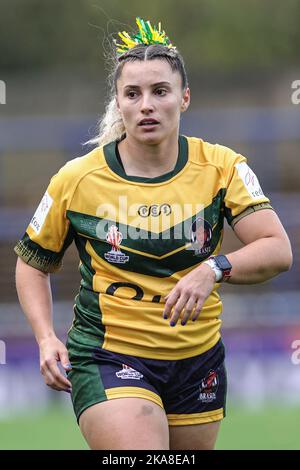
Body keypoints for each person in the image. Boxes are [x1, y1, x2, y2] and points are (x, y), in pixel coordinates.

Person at [14, 18, 292, 450]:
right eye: (133, 93)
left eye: (160, 91)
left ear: (184, 99)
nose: (146, 105)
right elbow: (32, 263)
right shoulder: (77, 179)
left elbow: (277, 250)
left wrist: (213, 269)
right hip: (109, 356)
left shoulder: (222, 167)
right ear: (119, 104)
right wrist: (45, 336)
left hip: (197, 359)